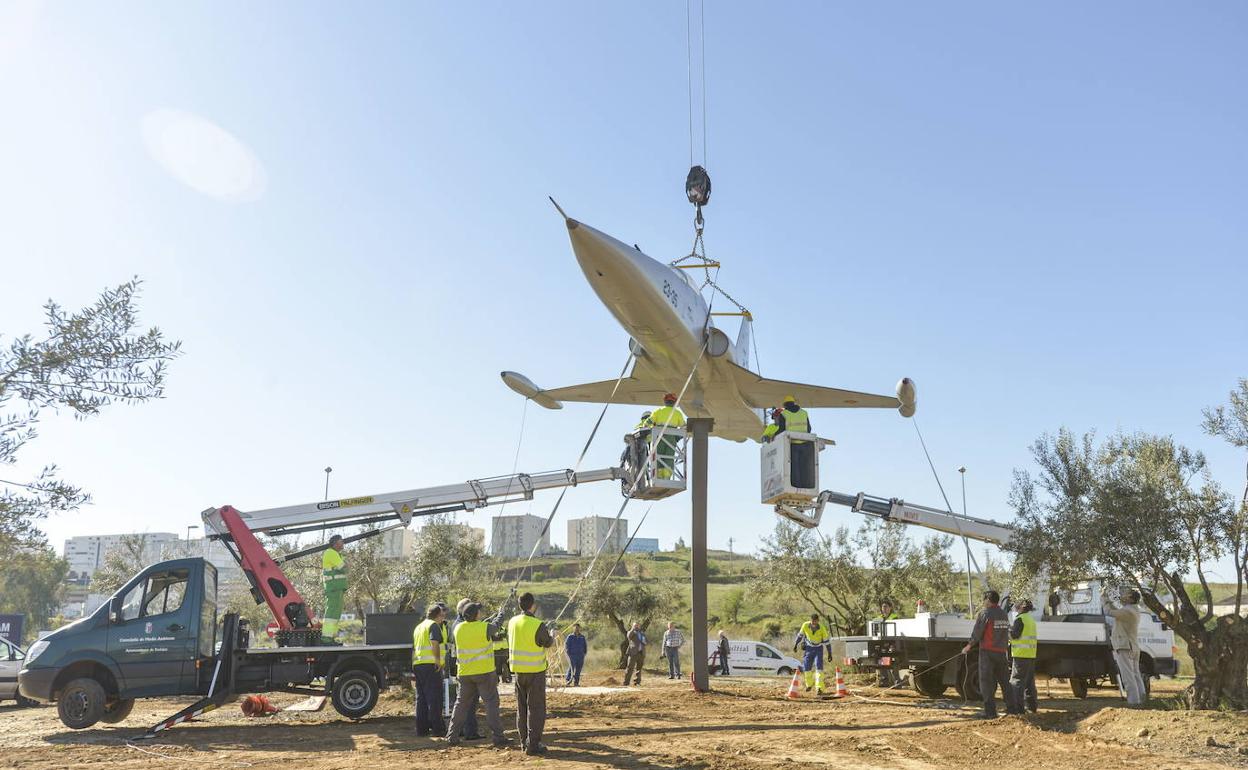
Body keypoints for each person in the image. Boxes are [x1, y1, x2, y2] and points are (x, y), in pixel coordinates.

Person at [446, 603, 510, 747]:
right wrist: (501, 613)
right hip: (484, 672)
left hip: (465, 673)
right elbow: (496, 626)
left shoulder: (458, 628)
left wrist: (491, 618)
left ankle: (452, 736)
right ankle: (498, 737)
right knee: (491, 704)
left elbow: (481, 626)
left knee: (460, 705)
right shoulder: (483, 627)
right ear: (476, 615)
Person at [961, 590, 1020, 718]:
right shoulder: (1004, 614)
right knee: (1005, 682)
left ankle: (990, 713)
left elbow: (977, 632)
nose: (984, 602)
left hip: (987, 653)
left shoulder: (985, 614)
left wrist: (968, 646)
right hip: (1001, 652)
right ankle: (1012, 710)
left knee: (986, 682)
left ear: (988, 600)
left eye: (984, 600)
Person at [508, 591, 554, 755]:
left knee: (522, 708)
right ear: (532, 605)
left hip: (518, 672)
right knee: (536, 709)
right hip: (535, 671)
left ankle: (523, 742)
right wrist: (552, 634)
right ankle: (533, 745)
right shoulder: (537, 624)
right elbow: (547, 642)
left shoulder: (512, 622)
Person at [1104, 588, 1147, 705]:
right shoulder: (1132, 610)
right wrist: (1110, 602)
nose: (1122, 595)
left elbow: (1109, 612)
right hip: (1131, 646)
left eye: (1125, 594)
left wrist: (1105, 600)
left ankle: (1133, 702)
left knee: (1128, 677)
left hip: (1125, 647)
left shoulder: (1128, 611)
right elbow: (1116, 611)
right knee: (1135, 675)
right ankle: (1141, 700)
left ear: (1130, 598)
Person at [448, 598, 481, 740]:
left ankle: (459, 730)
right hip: (467, 667)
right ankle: (470, 731)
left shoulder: (455, 625)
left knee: (461, 702)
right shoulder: (461, 626)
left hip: (459, 667)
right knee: (469, 702)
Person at [412, 603, 446, 736]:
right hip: (431, 665)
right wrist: (437, 660)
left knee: (421, 699)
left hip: (418, 664)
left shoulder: (418, 627)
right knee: (434, 698)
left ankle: (422, 729)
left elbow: (414, 648)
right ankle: (438, 729)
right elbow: (434, 642)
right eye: (441, 616)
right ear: (437, 615)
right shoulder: (433, 626)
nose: (442, 619)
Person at [1009, 598, 1039, 714]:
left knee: (1016, 682)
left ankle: (1017, 709)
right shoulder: (1030, 619)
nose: (1015, 607)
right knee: (1029, 683)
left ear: (1022, 607)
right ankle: (1032, 707)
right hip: (1030, 655)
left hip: (1020, 655)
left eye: (1017, 605)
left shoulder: (1020, 619)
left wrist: (1007, 632)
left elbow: (1014, 636)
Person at [775, 396, 813, 488]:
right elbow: (809, 428)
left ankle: (796, 486)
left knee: (794, 466)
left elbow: (782, 430)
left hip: (792, 444)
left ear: (785, 405)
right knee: (804, 466)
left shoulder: (784, 414)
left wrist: (774, 436)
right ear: (794, 403)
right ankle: (805, 485)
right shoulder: (804, 413)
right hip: (805, 443)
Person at [649, 393, 686, 479]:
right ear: (674, 402)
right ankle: (666, 477)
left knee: (658, 456)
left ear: (665, 401)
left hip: (659, 437)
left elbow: (648, 422)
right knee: (669, 457)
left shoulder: (658, 411)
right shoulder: (677, 413)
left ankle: (657, 477)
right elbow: (684, 427)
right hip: (671, 438)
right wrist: (678, 437)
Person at [320, 534, 347, 643]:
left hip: (337, 587)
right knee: (332, 613)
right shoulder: (331, 553)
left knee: (335, 613)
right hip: (334, 587)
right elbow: (343, 567)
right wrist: (345, 563)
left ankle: (332, 636)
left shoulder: (335, 554)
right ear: (335, 543)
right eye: (341, 541)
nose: (343, 543)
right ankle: (327, 637)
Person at [793, 613, 830, 693]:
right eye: (812, 622)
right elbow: (800, 636)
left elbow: (827, 642)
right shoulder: (805, 625)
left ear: (818, 621)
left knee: (819, 667)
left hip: (818, 649)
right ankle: (809, 685)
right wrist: (796, 645)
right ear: (810, 620)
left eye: (815, 622)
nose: (814, 624)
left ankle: (819, 688)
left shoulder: (822, 628)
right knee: (806, 667)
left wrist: (829, 653)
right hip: (809, 648)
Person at [875, 601, 900, 687]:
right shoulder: (878, 618)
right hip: (882, 643)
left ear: (890, 608)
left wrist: (893, 645)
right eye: (883, 607)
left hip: (892, 642)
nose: (884, 609)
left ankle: (897, 682)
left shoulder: (894, 617)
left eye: (886, 607)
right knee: (881, 662)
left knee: (893, 662)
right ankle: (884, 682)